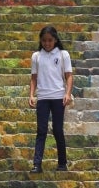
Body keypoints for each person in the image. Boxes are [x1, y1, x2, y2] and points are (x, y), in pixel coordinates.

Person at [28, 24, 73, 172]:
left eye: (50, 40)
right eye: (44, 40)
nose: (47, 43)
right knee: (41, 130)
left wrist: (67, 93)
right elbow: (33, 78)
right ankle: (37, 164)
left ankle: (62, 163)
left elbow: (69, 76)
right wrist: (31, 95)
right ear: (40, 41)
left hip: (58, 97)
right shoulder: (36, 56)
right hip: (43, 97)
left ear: (55, 40)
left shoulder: (63, 54)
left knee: (57, 129)